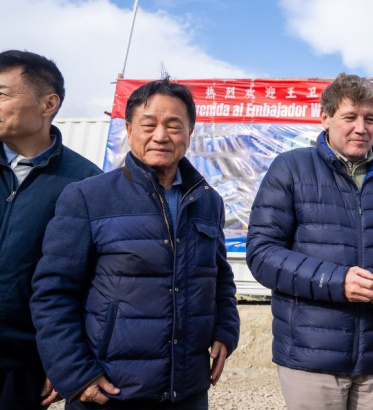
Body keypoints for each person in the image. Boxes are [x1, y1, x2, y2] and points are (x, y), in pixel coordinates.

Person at [30, 79, 240, 409]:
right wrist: (75, 372)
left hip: (186, 391)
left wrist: (226, 331)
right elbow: (53, 292)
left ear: (190, 132)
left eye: (174, 125)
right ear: (129, 130)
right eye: (149, 125)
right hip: (110, 390)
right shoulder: (88, 197)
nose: (161, 136)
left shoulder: (207, 201)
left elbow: (220, 279)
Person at [246, 73, 373, 410]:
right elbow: (262, 253)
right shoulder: (291, 168)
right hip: (311, 357)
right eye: (350, 117)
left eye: (369, 118)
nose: (361, 127)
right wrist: (335, 280)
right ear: (325, 117)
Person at [0, 50, 102, 410]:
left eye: (2, 94)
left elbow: (88, 283)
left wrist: (63, 359)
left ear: (48, 104)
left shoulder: (86, 183)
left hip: (23, 361)